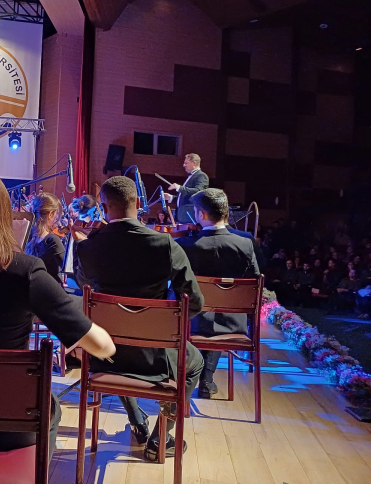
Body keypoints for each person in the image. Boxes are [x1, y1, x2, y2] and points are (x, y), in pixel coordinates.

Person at [0, 167, 115, 458]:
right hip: (10, 424)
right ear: (3, 214)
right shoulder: (24, 271)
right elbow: (103, 346)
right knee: (50, 406)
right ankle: (32, 472)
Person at [74, 175, 204, 462]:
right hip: (154, 355)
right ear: (137, 203)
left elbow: (85, 291)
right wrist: (162, 327)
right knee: (194, 362)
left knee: (117, 341)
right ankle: (160, 438)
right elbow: (194, 302)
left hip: (104, 353)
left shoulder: (86, 247)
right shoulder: (165, 244)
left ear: (104, 207)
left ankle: (136, 418)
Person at [176, 189, 259, 399]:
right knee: (214, 311)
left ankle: (188, 380)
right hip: (233, 324)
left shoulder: (186, 245)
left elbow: (177, 285)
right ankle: (207, 379)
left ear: (201, 214)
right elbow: (254, 280)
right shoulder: (245, 243)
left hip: (192, 324)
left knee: (200, 310)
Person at [25, 193, 65, 284]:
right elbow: (68, 268)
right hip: (49, 288)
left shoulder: (27, 235)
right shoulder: (52, 240)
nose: (57, 219)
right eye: (56, 214)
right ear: (50, 214)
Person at [163, 153, 209, 224]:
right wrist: (171, 198)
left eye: (186, 163)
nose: (184, 165)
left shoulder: (201, 176)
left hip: (191, 216)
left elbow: (198, 191)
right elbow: (186, 197)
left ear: (194, 163)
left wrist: (179, 187)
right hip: (183, 216)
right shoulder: (191, 176)